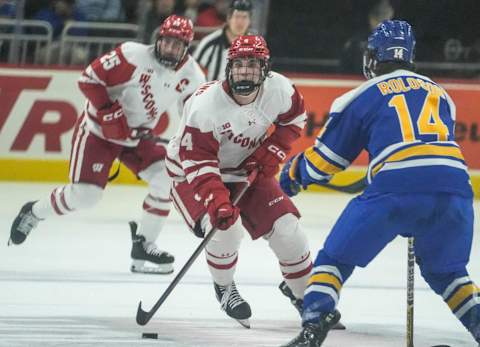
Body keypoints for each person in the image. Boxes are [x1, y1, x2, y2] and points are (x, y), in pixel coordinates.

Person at [279, 20, 479, 346]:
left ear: (373, 56)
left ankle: (315, 321)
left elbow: (325, 163)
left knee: (334, 260)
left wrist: (292, 175)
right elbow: (431, 151)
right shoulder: (441, 94)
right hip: (456, 190)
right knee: (450, 274)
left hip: (394, 190)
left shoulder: (362, 95)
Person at [9, 15, 206, 275]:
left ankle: (144, 244)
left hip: (136, 138)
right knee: (85, 197)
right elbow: (88, 80)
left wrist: (191, 143)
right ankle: (33, 212)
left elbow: (193, 118)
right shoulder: (131, 55)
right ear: (158, 40)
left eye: (177, 45)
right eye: (167, 42)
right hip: (98, 132)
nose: (170, 49)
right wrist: (108, 110)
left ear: (186, 48)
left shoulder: (192, 76)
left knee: (166, 177)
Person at [166, 35, 313, 328]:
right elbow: (199, 161)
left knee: (288, 230)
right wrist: (218, 201)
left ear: (265, 68)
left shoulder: (280, 89)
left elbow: (295, 119)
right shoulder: (205, 105)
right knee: (226, 230)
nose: (245, 71)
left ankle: (306, 297)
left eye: (253, 64)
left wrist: (273, 149)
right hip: (191, 173)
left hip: (246, 169)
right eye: (239, 65)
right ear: (229, 68)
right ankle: (224, 286)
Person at [193, 0, 252, 81]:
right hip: (212, 92)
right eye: (237, 16)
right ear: (228, 18)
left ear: (250, 21)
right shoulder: (209, 44)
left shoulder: (255, 47)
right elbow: (194, 78)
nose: (240, 22)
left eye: (244, 17)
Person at [339, 0, 394, 75]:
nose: (382, 21)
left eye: (387, 15)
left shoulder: (399, 45)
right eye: (378, 15)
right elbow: (344, 75)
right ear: (371, 18)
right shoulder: (355, 45)